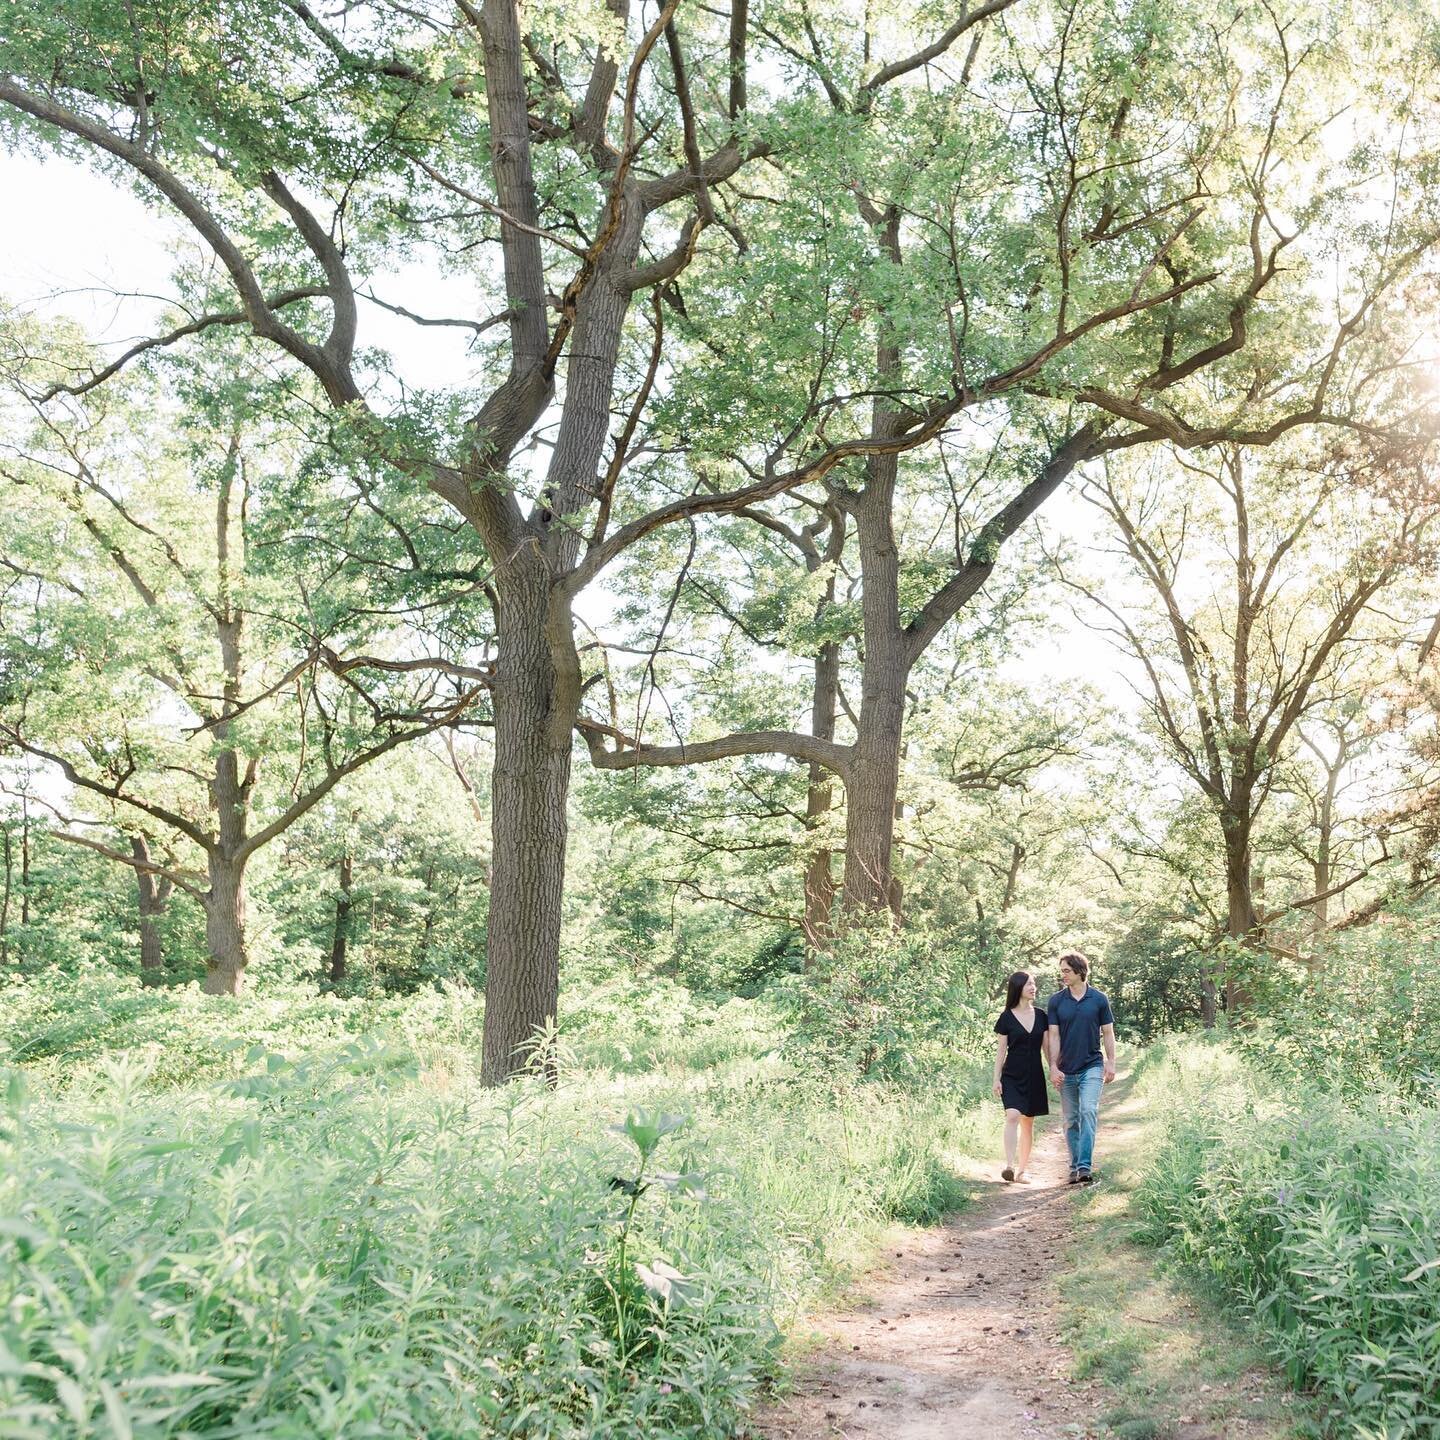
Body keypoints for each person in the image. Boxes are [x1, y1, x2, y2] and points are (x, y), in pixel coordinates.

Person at [1046, 951, 1116, 1185]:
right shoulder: (1056, 1001)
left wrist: (1111, 1061)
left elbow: (1108, 1032)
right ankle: (1075, 1166)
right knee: (1070, 1120)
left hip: (1091, 1066)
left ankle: (1085, 1166)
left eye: (1066, 970)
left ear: (1080, 971)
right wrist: (1053, 1067)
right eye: (1062, 971)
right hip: (1066, 1069)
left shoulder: (1098, 999)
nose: (1063, 975)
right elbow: (1053, 1036)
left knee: (1088, 1110)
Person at [991, 970, 1050, 1183]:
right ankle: (1009, 1166)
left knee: (1027, 1122)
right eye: (1028, 984)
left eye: (1034, 984)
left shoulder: (1042, 1016)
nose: (1033, 987)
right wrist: (996, 1079)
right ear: (1018, 989)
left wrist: (1054, 1068)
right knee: (1013, 1116)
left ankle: (1023, 1171)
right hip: (1011, 1075)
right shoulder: (1006, 1018)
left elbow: (1047, 1048)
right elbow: (1000, 1051)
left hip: (1034, 1075)